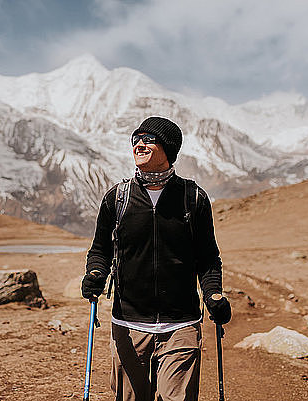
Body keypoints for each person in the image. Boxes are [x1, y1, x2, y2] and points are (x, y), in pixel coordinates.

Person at [82, 116, 232, 401]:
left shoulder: (193, 198)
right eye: (136, 139)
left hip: (181, 324)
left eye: (148, 139)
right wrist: (95, 274)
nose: (139, 143)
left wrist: (213, 294)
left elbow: (208, 257)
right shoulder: (117, 198)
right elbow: (100, 250)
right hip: (128, 323)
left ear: (169, 148)